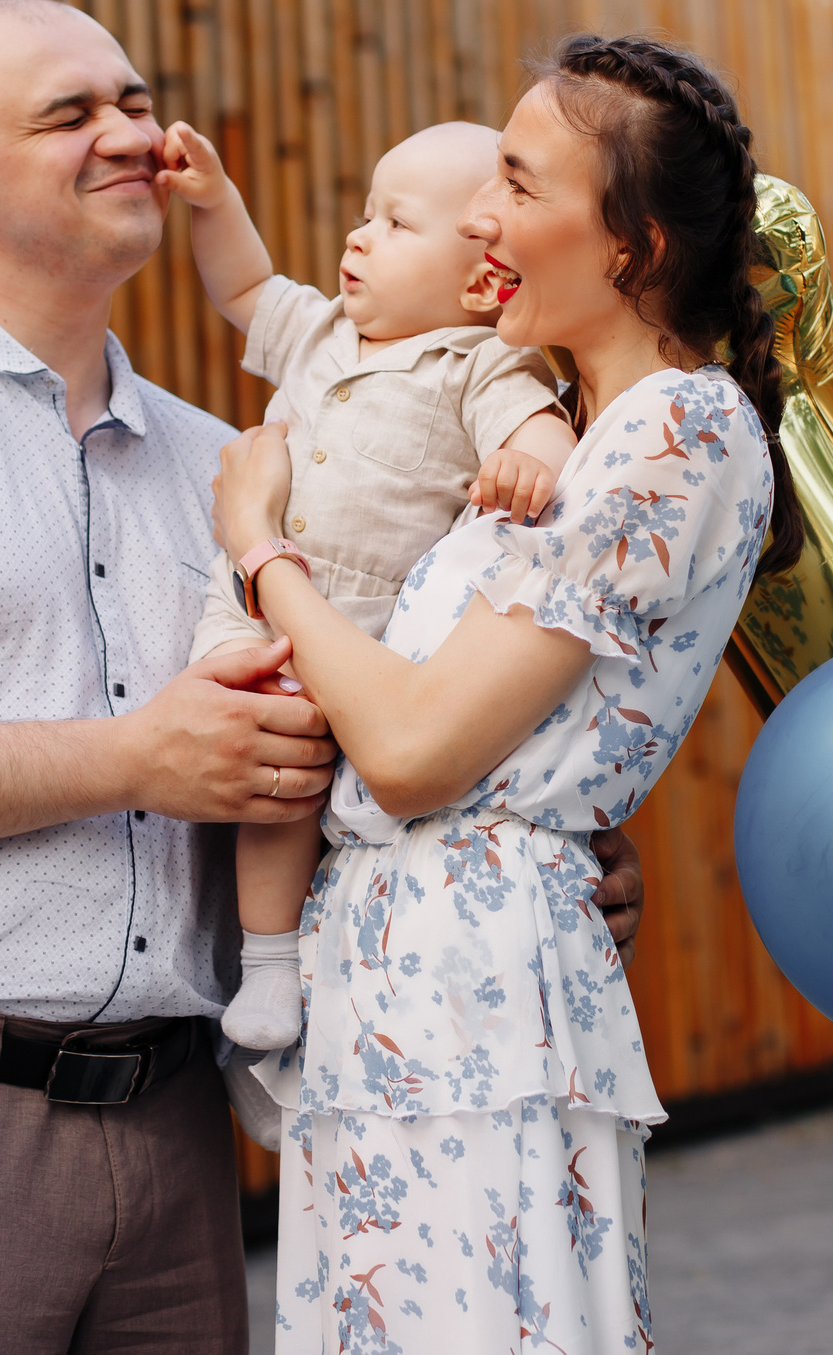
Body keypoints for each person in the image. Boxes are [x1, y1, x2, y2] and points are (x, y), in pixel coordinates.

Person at [0, 0, 649, 1354]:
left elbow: (361, 728)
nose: (130, 133)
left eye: (133, 101)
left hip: (181, 1132)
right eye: (69, 113)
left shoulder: (238, 463)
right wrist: (134, 759)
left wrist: (511, 846)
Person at [216, 34, 805, 1353]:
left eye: (519, 183)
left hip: (465, 1003)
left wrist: (261, 548)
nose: (480, 216)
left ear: (631, 248)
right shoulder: (570, 437)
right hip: (404, 984)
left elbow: (413, 747)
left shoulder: (675, 429)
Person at [157, 115, 578, 1053]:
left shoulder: (480, 363)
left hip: (361, 632)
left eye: (395, 223)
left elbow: (540, 431)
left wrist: (530, 464)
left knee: (308, 781)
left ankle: (280, 977)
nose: (359, 236)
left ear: (481, 281)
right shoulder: (320, 333)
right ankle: (262, 965)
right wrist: (214, 201)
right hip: (249, 603)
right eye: (364, 214)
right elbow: (244, 285)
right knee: (263, 767)